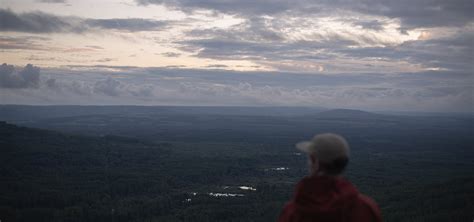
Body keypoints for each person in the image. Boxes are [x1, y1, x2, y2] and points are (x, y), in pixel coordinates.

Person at [278, 133, 382, 222]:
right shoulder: (366, 208)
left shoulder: (293, 213)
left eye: (310, 158)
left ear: (316, 163)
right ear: (344, 163)